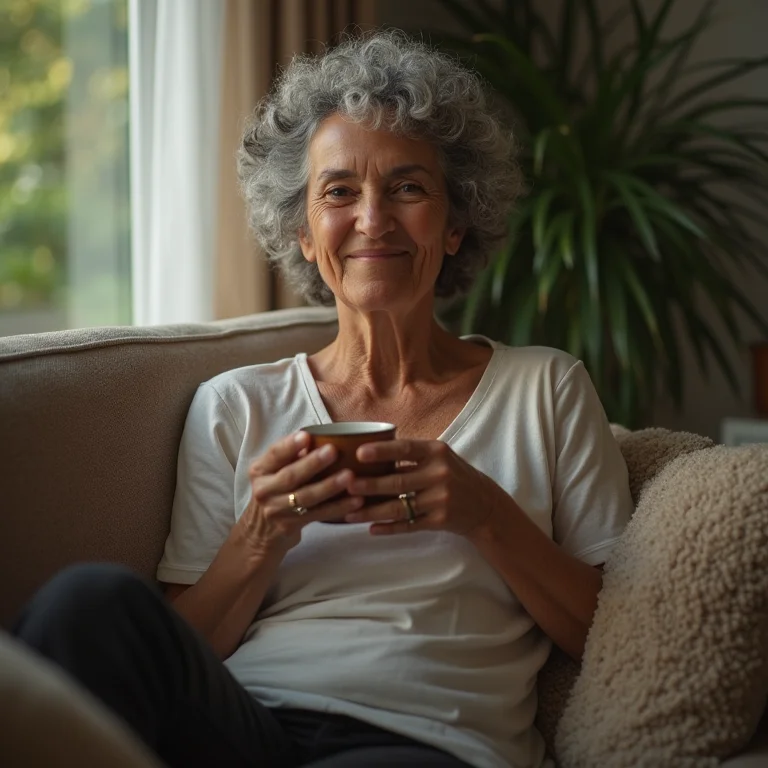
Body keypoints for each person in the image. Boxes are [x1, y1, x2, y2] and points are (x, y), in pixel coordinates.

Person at [13, 30, 633, 768]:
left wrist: (484, 513)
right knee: (88, 604)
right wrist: (262, 533)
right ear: (305, 234)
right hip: (242, 728)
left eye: (408, 187)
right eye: (339, 192)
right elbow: (191, 646)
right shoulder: (234, 404)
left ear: (456, 221)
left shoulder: (548, 388)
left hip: (427, 744)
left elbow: (611, 631)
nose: (373, 219)